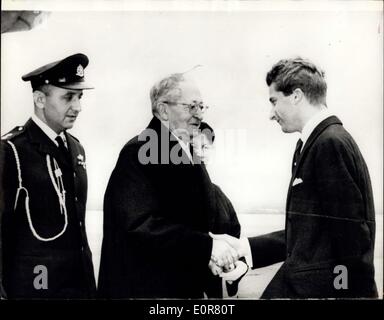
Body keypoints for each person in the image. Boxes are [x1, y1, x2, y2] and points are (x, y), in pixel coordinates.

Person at [211, 57, 378, 298]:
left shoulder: (329, 143)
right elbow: (308, 235)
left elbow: (352, 239)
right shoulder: (313, 143)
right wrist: (244, 248)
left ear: (296, 95)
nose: (271, 114)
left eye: (274, 101)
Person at [98, 73, 241, 298]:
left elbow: (193, 222)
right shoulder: (139, 151)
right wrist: (207, 247)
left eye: (202, 107)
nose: (199, 115)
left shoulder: (185, 153)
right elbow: (139, 226)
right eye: (191, 107)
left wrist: (211, 250)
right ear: (163, 110)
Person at [0, 53, 97, 299]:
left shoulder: (76, 149)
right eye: (68, 97)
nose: (78, 107)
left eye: (79, 97)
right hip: (35, 290)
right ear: (39, 99)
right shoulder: (11, 151)